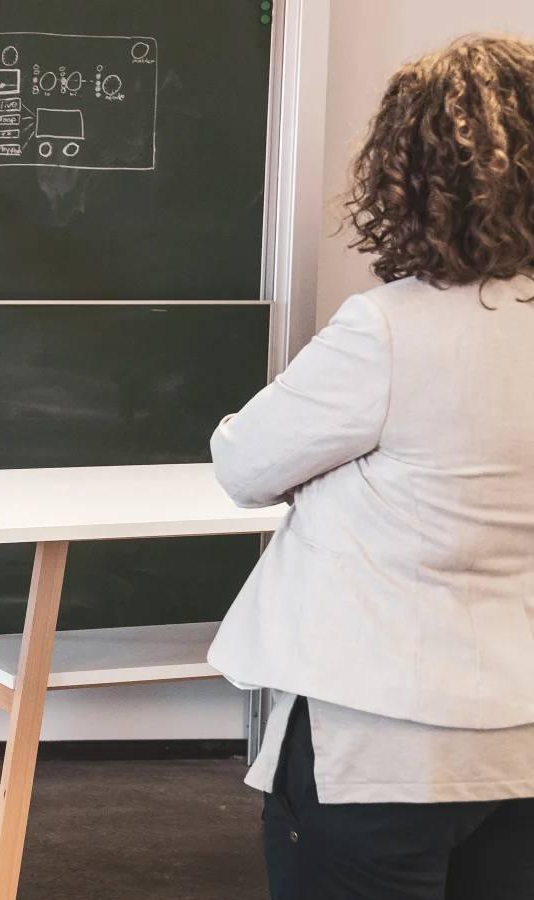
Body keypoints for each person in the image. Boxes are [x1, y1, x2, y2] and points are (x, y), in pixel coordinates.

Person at [208, 35, 534, 900]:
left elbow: (242, 464)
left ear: (407, 177)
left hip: (381, 749)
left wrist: (337, 476)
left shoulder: (388, 329)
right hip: (523, 740)